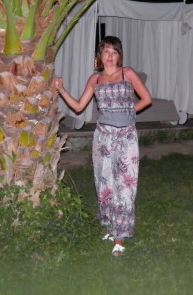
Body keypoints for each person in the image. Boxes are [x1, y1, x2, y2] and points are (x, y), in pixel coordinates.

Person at [53, 36, 152, 256]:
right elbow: (79, 106)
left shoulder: (128, 73)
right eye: (106, 51)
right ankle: (110, 226)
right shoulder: (95, 79)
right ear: (100, 55)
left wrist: (128, 112)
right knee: (105, 182)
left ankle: (120, 236)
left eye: (114, 52)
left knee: (125, 185)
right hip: (103, 137)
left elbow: (147, 99)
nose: (110, 56)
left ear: (119, 55)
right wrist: (61, 90)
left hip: (126, 137)